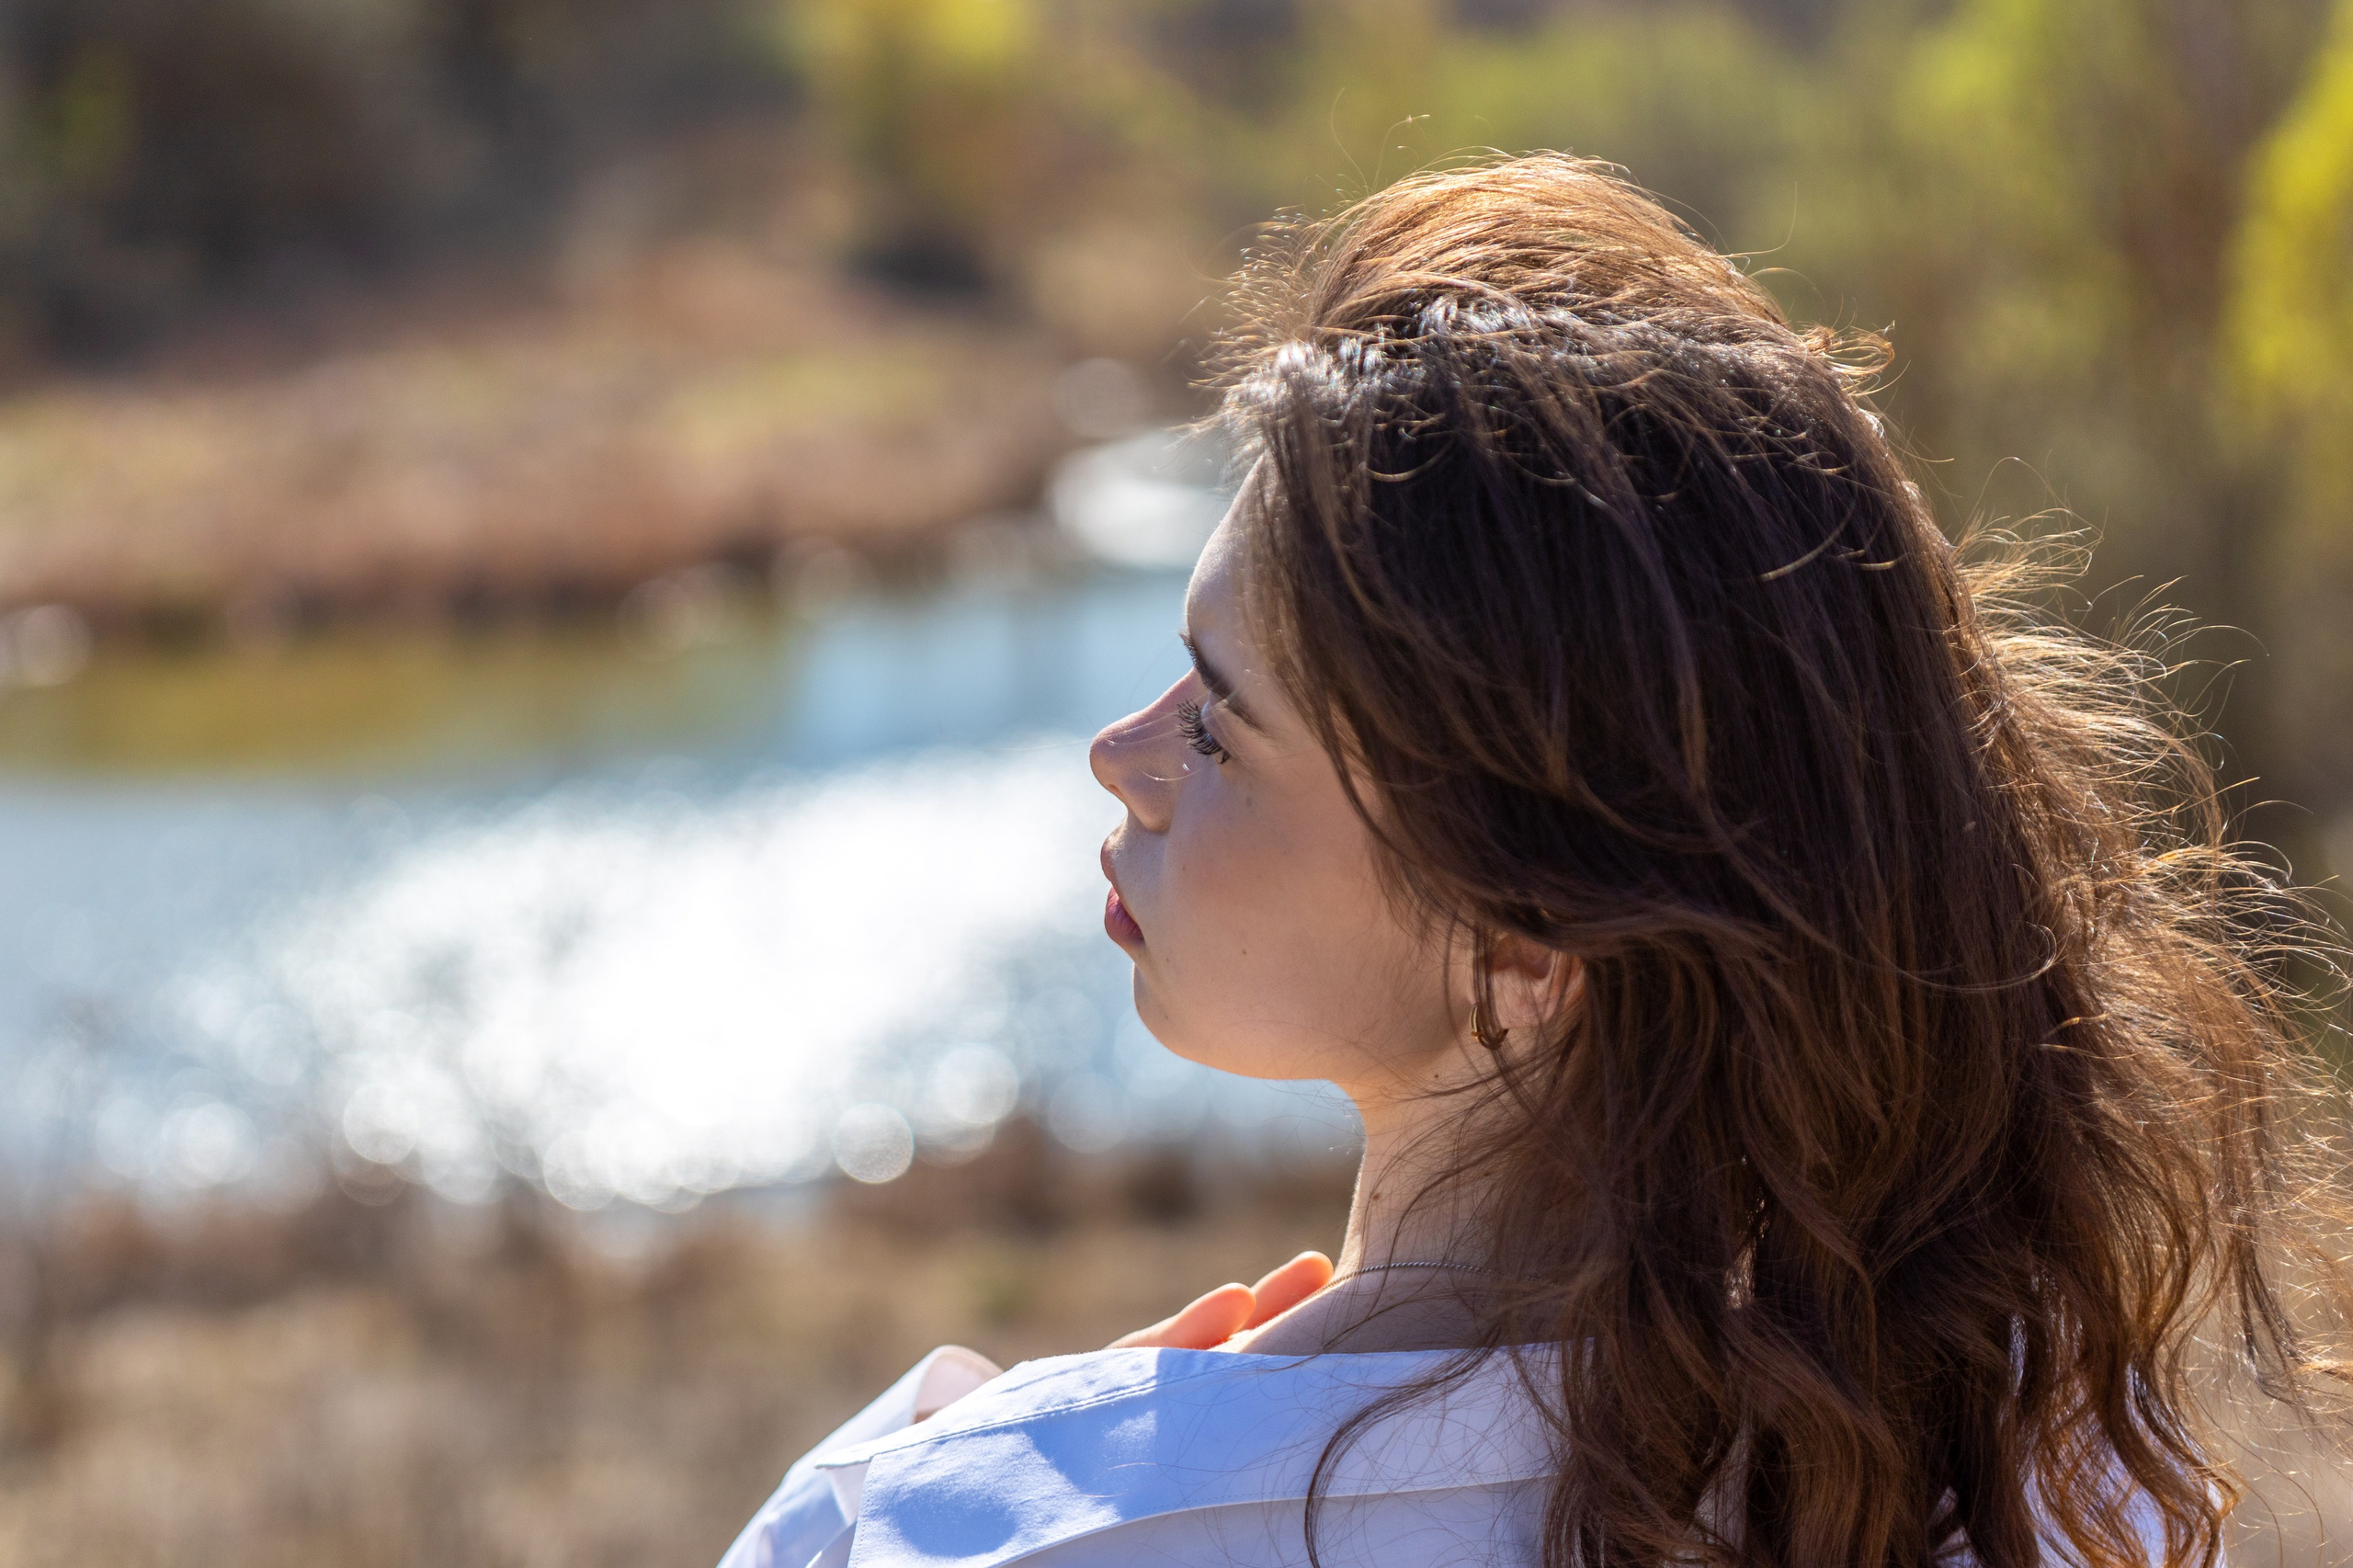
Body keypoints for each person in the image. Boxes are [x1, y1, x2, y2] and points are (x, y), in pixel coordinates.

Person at [720, 154, 2347, 1568]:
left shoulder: (975, 1525)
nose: (1123, 756)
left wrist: (895, 1472)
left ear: (1526, 949)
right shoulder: (2025, 1481)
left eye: (1219, 726)